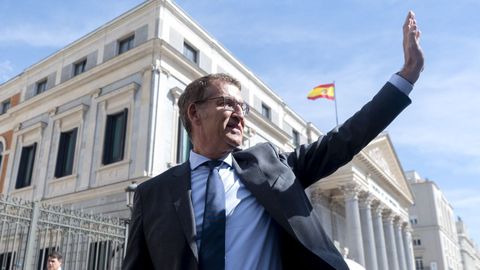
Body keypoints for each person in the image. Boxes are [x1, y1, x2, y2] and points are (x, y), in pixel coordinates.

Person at [123, 11, 423, 270]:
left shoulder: (272, 166)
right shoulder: (152, 194)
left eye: (244, 107)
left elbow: (344, 139)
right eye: (228, 104)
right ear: (194, 113)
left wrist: (406, 77)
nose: (241, 115)